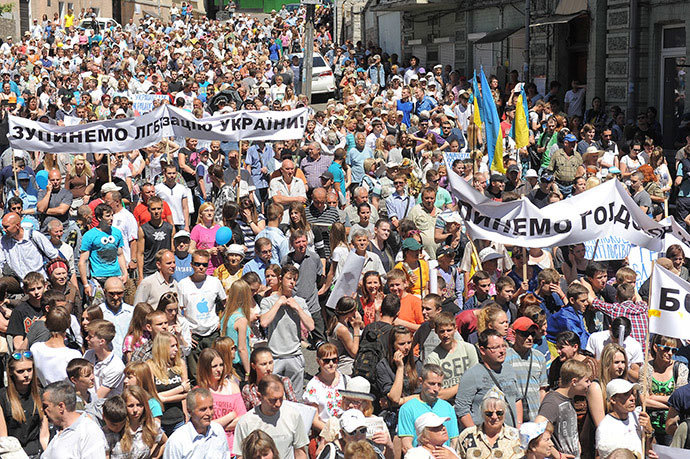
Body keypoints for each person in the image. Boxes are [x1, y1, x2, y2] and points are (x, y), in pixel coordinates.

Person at [259, 264, 314, 398]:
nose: (292, 282)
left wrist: (298, 308)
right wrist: (278, 303)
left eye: (294, 279)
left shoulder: (299, 301)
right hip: (275, 357)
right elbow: (264, 322)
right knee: (273, 395)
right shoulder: (268, 301)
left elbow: (311, 326)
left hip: (294, 356)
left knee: (296, 397)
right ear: (280, 278)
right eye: (289, 278)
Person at [455, 330, 523, 429]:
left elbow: (517, 399)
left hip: (510, 436)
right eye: (495, 347)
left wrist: (519, 425)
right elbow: (462, 409)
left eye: (503, 346)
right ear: (482, 350)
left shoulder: (509, 369)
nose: (502, 351)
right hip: (485, 437)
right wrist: (475, 434)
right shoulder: (472, 375)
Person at [177, 249, 227, 379]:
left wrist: (221, 321)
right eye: (197, 264)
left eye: (204, 264)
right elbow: (179, 311)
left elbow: (226, 303)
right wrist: (186, 332)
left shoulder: (214, 282)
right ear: (191, 264)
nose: (201, 267)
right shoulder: (183, 284)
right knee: (195, 373)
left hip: (212, 332)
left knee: (214, 369)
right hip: (194, 334)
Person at [233, 374, 309, 459]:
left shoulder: (293, 415)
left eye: (280, 398)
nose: (278, 404)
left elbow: (300, 451)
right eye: (273, 400)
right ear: (259, 396)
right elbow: (240, 456)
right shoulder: (245, 422)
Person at [398, 364, 460, 452]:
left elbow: (454, 441)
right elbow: (406, 445)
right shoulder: (407, 409)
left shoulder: (448, 407)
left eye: (439, 384)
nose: (436, 389)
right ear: (421, 381)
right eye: (431, 383)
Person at [537, 359, 592, 459]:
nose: (589, 384)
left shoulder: (569, 398)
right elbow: (537, 428)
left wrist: (576, 443)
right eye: (586, 381)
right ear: (574, 382)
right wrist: (557, 454)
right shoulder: (552, 401)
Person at [196, 348, 246, 451]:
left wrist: (216, 425)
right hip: (211, 448)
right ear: (205, 368)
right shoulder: (199, 392)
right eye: (214, 366)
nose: (219, 369)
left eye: (221, 365)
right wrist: (230, 416)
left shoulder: (232, 387)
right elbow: (202, 426)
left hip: (234, 447)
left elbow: (243, 418)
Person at [41, 381, 108, 459]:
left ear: (61, 406)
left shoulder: (88, 432)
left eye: (46, 406)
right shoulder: (57, 430)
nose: (42, 409)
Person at [0, 350, 47, 456]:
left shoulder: (40, 394)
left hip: (36, 451)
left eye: (29, 370)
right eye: (20, 371)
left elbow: (44, 433)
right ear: (11, 372)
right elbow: (3, 437)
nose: (26, 375)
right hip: (12, 453)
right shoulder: (2, 397)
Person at [425, 312, 478, 403]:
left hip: (470, 401)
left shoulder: (468, 348)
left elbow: (477, 379)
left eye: (449, 330)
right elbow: (437, 393)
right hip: (447, 404)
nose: (446, 335)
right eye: (442, 331)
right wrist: (463, 385)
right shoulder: (433, 358)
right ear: (436, 332)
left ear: (455, 329)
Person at [163, 387, 230, 458]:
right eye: (203, 409)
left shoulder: (218, 430)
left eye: (211, 408)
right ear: (190, 411)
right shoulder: (177, 441)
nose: (209, 413)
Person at [504, 317, 548, 422]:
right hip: (512, 418)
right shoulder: (505, 357)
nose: (529, 338)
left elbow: (542, 390)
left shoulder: (539, 357)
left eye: (532, 334)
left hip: (535, 417)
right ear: (514, 334)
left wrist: (540, 417)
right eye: (524, 334)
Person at [595, 379, 654, 458]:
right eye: (626, 394)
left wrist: (649, 432)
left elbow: (649, 452)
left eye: (632, 393)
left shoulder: (637, 416)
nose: (632, 398)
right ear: (613, 399)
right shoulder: (605, 428)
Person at [456, 389, 522, 459]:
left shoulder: (517, 437)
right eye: (489, 414)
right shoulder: (467, 435)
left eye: (499, 413)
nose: (494, 417)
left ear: (505, 413)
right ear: (482, 413)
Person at [79, 203, 128, 297]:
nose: (111, 218)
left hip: (115, 275)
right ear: (99, 218)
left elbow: (120, 254)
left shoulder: (117, 233)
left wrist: (125, 273)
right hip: (98, 277)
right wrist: (86, 284)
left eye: (112, 215)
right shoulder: (89, 235)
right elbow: (82, 261)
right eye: (108, 216)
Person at [105, 385, 166, 458]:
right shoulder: (115, 428)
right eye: (131, 406)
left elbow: (165, 442)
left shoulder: (151, 426)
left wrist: (153, 457)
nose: (135, 410)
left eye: (139, 405)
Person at [149, 331, 190, 437]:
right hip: (158, 420)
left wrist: (164, 398)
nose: (176, 349)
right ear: (162, 347)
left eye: (176, 345)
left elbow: (186, 394)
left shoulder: (180, 364)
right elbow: (153, 396)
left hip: (178, 418)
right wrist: (180, 388)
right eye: (172, 346)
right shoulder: (149, 366)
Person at [30, 306, 82, 386]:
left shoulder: (35, 349)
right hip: (68, 396)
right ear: (68, 325)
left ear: (46, 324)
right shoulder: (74, 355)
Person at [303, 343, 346, 430]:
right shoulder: (313, 386)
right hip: (325, 431)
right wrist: (331, 432)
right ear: (318, 361)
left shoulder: (346, 380)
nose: (331, 364)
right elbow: (314, 420)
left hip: (347, 430)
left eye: (335, 360)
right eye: (326, 361)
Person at [241, 347, 297, 411]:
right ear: (253, 366)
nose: (268, 368)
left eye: (270, 363)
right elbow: (247, 413)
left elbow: (295, 406)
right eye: (263, 364)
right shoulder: (249, 390)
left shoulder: (284, 381)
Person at [318, 408, 389, 459]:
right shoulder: (332, 451)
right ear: (342, 433)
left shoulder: (372, 448)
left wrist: (389, 446)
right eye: (353, 432)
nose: (358, 436)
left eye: (362, 430)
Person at [136, 196, 174, 280]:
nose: (156, 212)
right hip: (149, 270)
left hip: (166, 270)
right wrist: (141, 276)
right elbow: (140, 253)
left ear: (162, 209)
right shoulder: (143, 229)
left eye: (158, 208)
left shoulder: (169, 228)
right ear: (149, 210)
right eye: (153, 209)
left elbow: (172, 251)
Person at [327, 297, 363, 376]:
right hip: (346, 367)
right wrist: (356, 329)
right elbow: (354, 353)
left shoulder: (340, 322)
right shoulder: (342, 329)